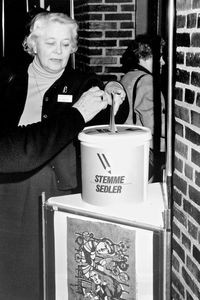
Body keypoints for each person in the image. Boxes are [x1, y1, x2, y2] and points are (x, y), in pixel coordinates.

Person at [0, 12, 128, 300]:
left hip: (57, 187)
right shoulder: (9, 78)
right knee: (9, 263)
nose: (59, 51)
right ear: (32, 44)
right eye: (50, 42)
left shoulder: (82, 82)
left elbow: (113, 113)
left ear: (73, 47)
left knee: (51, 263)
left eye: (66, 43)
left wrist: (116, 91)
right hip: (7, 184)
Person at [120, 34, 166, 182]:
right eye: (160, 57)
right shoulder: (147, 81)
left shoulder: (129, 76)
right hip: (145, 151)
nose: (163, 62)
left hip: (128, 146)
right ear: (147, 56)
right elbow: (154, 124)